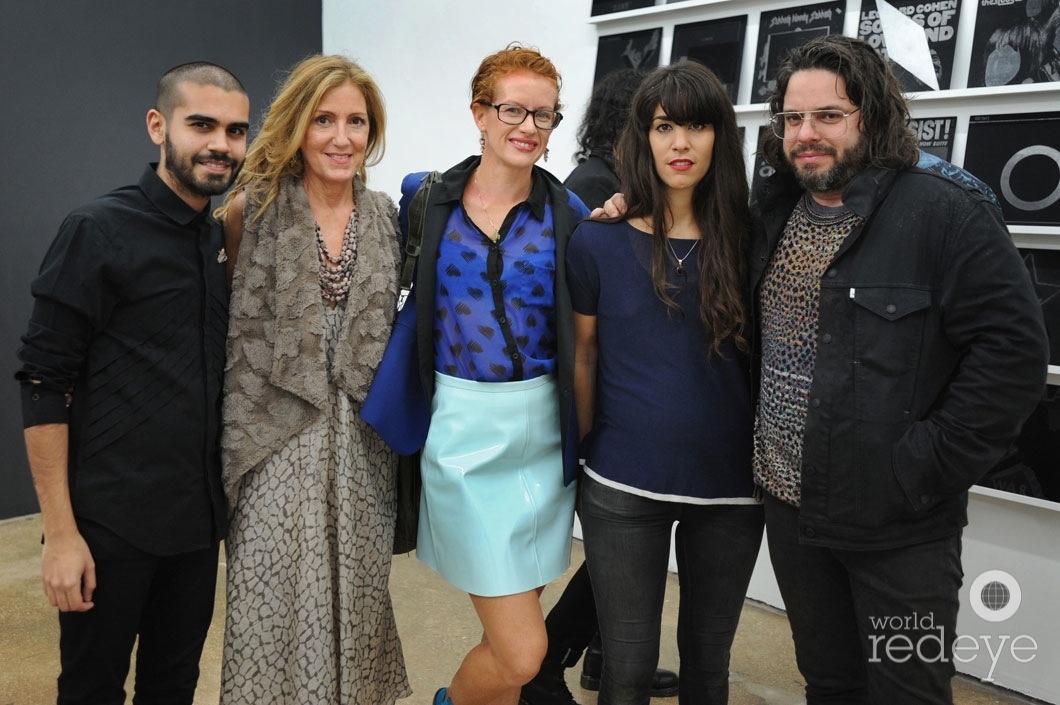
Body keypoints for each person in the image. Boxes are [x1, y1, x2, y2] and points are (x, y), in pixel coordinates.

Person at [752, 35, 1048, 703]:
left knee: (907, 691)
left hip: (898, 521)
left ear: (872, 115)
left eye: (828, 116)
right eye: (792, 119)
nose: (806, 134)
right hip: (792, 512)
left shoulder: (945, 209)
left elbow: (1014, 357)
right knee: (830, 684)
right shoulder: (774, 209)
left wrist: (920, 468)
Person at [15, 62, 249, 704]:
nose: (219, 144)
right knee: (91, 690)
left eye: (235, 131)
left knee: (173, 685)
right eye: (201, 124)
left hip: (196, 529)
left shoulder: (219, 238)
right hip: (108, 526)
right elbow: (42, 380)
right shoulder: (97, 230)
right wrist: (60, 535)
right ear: (158, 126)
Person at [566, 60, 764, 705]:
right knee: (626, 666)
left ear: (720, 138)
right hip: (621, 480)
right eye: (664, 126)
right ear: (642, 138)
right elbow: (585, 357)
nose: (680, 143)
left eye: (697, 126)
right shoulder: (596, 243)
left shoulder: (755, 239)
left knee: (708, 663)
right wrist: (581, 457)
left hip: (732, 488)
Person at [216, 54, 410, 704]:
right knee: (271, 599)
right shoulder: (252, 212)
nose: (340, 136)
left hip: (362, 446)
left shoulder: (389, 217)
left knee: (356, 602)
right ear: (297, 124)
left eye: (356, 121)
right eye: (323, 118)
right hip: (272, 443)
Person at [404, 45, 589, 705]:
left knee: (514, 639)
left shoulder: (572, 218)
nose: (529, 126)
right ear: (479, 112)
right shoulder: (426, 201)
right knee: (522, 650)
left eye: (545, 114)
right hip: (461, 435)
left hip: (542, 439)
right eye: (513, 109)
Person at [520, 66, 680, 705]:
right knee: (612, 548)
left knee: (629, 547)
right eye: (660, 122)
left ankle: (593, 655)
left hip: (626, 392)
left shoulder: (613, 184)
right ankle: (551, 657)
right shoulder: (592, 188)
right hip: (599, 392)